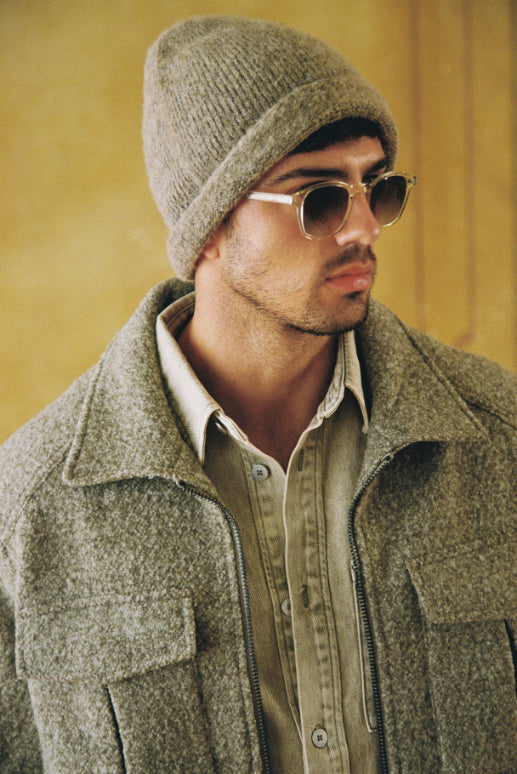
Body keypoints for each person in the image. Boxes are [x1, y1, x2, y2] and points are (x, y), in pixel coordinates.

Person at [0, 15, 516, 774]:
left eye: (377, 189)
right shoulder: (31, 510)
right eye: (319, 198)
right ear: (209, 227)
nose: (364, 229)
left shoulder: (498, 439)